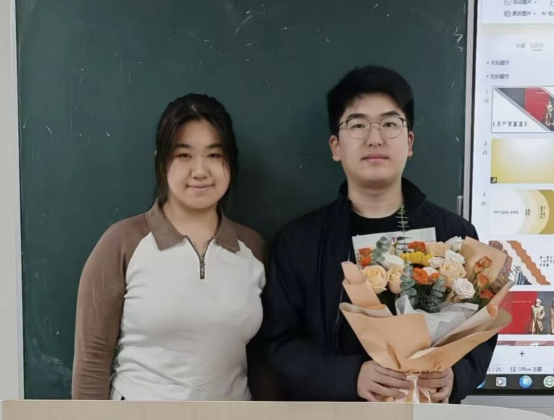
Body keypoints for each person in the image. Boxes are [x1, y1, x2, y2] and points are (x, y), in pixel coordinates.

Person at [263, 65, 497, 404]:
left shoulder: (455, 235)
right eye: (358, 125)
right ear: (336, 146)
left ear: (409, 142)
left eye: (390, 124)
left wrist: (454, 376)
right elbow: (280, 343)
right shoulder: (299, 242)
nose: (375, 138)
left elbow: (481, 333)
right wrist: (349, 377)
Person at [72, 94, 269, 401]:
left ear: (230, 161)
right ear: (161, 161)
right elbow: (92, 361)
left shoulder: (252, 248)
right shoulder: (123, 242)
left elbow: (264, 360)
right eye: (184, 155)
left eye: (214, 155)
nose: (200, 171)